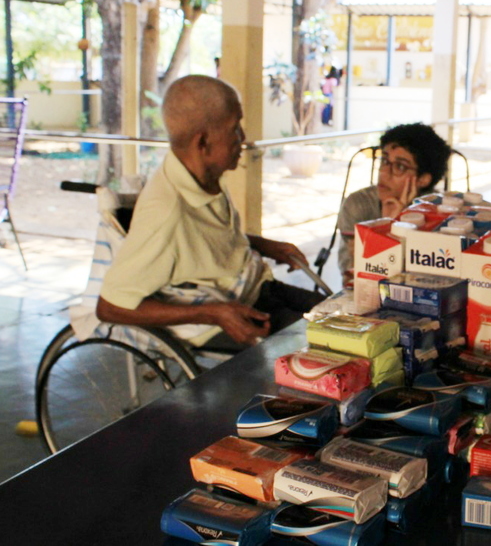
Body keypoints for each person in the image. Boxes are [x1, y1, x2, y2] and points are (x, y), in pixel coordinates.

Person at [96, 75, 324, 347]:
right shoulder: (165, 214)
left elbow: (204, 239)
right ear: (203, 143)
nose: (242, 138)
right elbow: (109, 307)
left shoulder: (204, 175)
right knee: (341, 345)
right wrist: (213, 313)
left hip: (256, 287)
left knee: (354, 317)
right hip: (231, 315)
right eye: (234, 128)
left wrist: (262, 244)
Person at [336, 123, 452, 280]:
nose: (384, 172)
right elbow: (358, 274)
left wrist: (402, 221)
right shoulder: (358, 204)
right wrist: (389, 224)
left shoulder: (437, 211)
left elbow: (432, 278)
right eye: (384, 160)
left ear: (423, 180)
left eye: (400, 166)